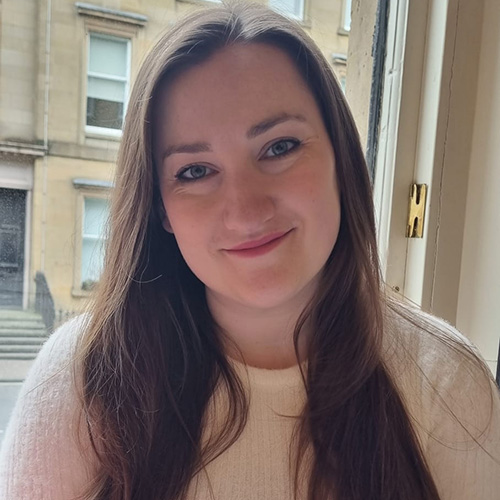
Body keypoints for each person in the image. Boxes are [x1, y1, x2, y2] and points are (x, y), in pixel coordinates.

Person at [1, 2, 499, 499]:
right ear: (160, 209)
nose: (245, 212)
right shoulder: (78, 380)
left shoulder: (447, 381)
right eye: (195, 171)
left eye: (280, 147)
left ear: (341, 158)